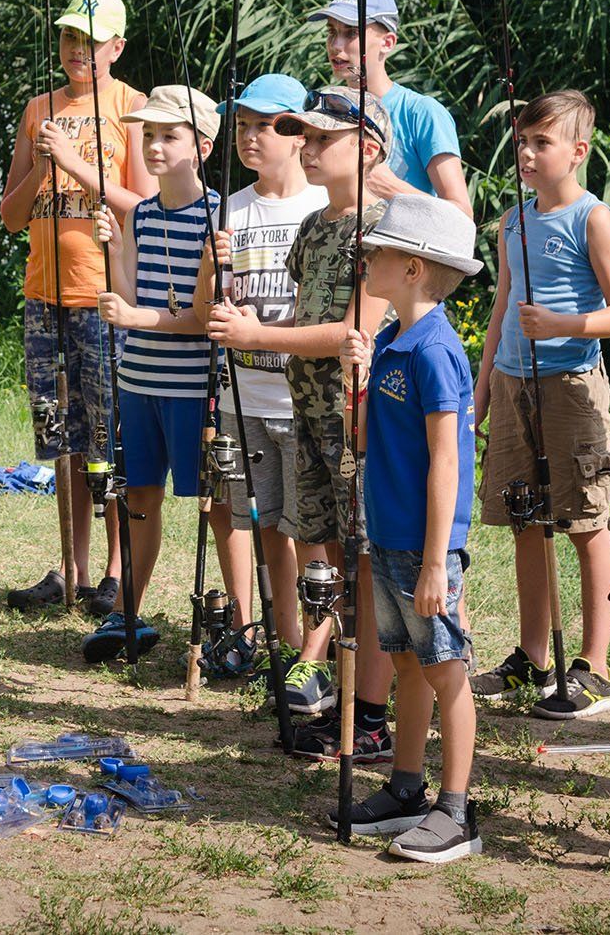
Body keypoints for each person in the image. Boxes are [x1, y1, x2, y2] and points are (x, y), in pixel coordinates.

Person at [208, 88, 391, 754]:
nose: (307, 149)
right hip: (306, 418)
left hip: (356, 426)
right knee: (323, 556)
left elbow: (351, 331)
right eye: (303, 138)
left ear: (367, 150)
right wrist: (247, 327)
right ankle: (329, 688)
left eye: (321, 139)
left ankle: (365, 708)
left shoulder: (378, 229)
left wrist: (261, 336)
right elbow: (296, 320)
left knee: (364, 558)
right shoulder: (316, 227)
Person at [469, 90, 610, 719]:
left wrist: (566, 324)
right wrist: (482, 391)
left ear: (578, 152)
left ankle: (595, 666)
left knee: (585, 522)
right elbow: (499, 309)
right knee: (526, 522)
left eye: (542, 143)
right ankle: (532, 658)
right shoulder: (514, 218)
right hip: (514, 387)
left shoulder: (593, 219)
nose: (528, 154)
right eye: (523, 142)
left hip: (571, 389)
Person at [334, 194, 485, 862]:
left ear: (416, 268)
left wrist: (435, 561)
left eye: (380, 250)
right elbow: (364, 439)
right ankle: (405, 788)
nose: (367, 257)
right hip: (389, 539)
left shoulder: (434, 351)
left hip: (426, 548)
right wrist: (357, 378)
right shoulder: (393, 340)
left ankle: (457, 810)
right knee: (405, 663)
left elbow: (446, 462)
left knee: (446, 668)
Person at [0, 0, 154, 615]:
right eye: (69, 37)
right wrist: (43, 166)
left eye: (91, 41)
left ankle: (117, 571)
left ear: (116, 47)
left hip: (104, 297)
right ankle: (72, 567)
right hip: (44, 296)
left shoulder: (132, 107)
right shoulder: (37, 108)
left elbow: (142, 206)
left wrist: (75, 161)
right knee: (59, 436)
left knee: (107, 435)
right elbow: (11, 216)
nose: (77, 51)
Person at [191, 74, 329, 655]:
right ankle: (283, 639)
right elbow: (205, 311)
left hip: (303, 403)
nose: (250, 137)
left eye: (265, 125)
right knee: (267, 524)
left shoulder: (323, 204)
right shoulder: (229, 209)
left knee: (315, 534)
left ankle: (318, 650)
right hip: (241, 399)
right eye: (242, 125)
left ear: (299, 133)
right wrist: (211, 261)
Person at [88, 85, 222, 661]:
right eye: (148, 135)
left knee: (213, 507)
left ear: (203, 146)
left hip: (192, 389)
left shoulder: (219, 216)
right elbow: (128, 295)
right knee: (139, 497)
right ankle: (128, 613)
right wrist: (117, 251)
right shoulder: (139, 213)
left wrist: (137, 316)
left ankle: (235, 619)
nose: (155, 145)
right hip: (137, 383)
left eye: (170, 134)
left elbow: (203, 319)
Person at [307, 0, 471, 216]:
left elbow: (462, 216)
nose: (335, 45)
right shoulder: (321, 110)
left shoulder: (421, 112)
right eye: (331, 32)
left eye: (351, 32)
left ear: (388, 43)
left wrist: (394, 190)